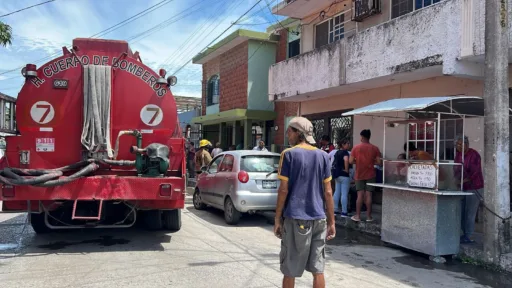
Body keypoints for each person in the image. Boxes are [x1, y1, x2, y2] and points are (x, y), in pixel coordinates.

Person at [274, 117, 335, 288]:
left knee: (290, 269)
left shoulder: (288, 155)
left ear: (297, 133)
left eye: (289, 131)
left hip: (296, 218)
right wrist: (332, 222)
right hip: (319, 219)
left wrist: (277, 219)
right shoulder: (323, 156)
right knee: (318, 269)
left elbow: (283, 190)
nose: (287, 135)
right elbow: (328, 192)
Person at [454, 135, 484, 244]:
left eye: (462, 144)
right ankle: (463, 233)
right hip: (462, 187)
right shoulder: (458, 155)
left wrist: (463, 181)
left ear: (467, 144)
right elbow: (456, 169)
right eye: (457, 144)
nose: (459, 146)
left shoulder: (474, 154)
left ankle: (469, 235)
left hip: (474, 187)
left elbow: (475, 173)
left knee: (470, 213)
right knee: (461, 211)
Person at [349, 129, 381, 222]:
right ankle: (368, 216)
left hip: (359, 174)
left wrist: (358, 161)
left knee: (360, 195)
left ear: (362, 137)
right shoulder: (375, 148)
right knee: (369, 195)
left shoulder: (356, 148)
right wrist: (371, 162)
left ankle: (358, 216)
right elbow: (379, 162)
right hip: (371, 174)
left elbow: (350, 161)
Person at [333, 139, 351, 217]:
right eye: (347, 143)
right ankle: (344, 212)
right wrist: (347, 170)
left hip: (337, 174)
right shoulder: (345, 152)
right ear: (343, 145)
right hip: (344, 175)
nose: (349, 145)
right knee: (344, 194)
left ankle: (335, 209)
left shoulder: (337, 152)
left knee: (337, 192)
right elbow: (346, 160)